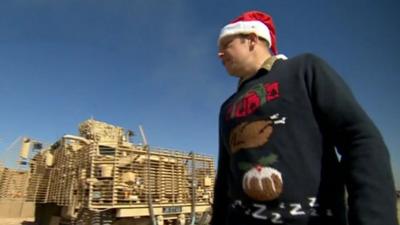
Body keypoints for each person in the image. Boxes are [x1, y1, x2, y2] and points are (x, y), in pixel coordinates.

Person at [211, 10, 398, 225]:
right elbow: (224, 179)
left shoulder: (303, 70)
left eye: (226, 45)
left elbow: (360, 140)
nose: (220, 54)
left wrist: (373, 218)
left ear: (252, 39)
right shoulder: (227, 107)